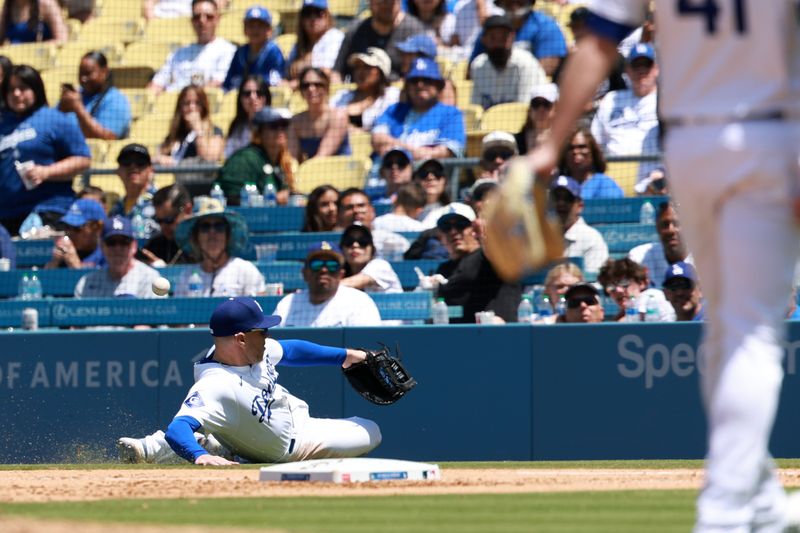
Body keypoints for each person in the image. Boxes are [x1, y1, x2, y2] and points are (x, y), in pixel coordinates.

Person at [520, 2, 800, 528]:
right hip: (768, 136)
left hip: (690, 144)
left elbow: (597, 43)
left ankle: (758, 494)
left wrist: (549, 146)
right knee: (748, 331)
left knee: (724, 331)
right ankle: (725, 509)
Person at [117, 297, 382, 465]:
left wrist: (346, 356)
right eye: (262, 330)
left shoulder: (254, 350)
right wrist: (200, 457)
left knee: (368, 428)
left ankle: (218, 444)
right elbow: (178, 429)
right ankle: (206, 446)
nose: (266, 335)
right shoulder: (216, 384)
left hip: (297, 421)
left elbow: (292, 350)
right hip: (292, 447)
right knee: (371, 432)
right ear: (241, 338)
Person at [0, 65, 91, 236]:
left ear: (36, 89)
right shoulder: (2, 125)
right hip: (6, 216)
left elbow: (83, 159)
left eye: (23, 88)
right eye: (11, 89)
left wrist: (46, 172)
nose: (16, 94)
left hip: (48, 210)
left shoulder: (54, 119)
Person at [434, 207, 521, 323]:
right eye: (446, 227)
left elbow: (495, 253)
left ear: (474, 229)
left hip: (497, 331)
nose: (453, 232)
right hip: (457, 335)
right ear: (441, 237)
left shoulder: (487, 257)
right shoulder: (443, 269)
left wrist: (485, 237)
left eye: (461, 225)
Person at [590, 43, 660, 185]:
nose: (641, 71)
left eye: (646, 65)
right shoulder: (612, 99)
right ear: (627, 70)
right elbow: (595, 140)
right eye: (636, 66)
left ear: (656, 69)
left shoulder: (664, 101)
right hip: (613, 180)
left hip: (652, 177)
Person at [372, 57, 465, 160]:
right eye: (414, 81)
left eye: (426, 80)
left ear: (438, 85)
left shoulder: (451, 114)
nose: (420, 85)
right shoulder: (394, 110)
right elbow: (377, 138)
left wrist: (396, 148)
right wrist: (414, 151)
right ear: (407, 86)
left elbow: (446, 152)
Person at [272, 241, 383, 326]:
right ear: (305, 273)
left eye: (331, 265)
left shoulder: (359, 302)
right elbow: (271, 345)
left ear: (341, 274)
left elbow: (370, 350)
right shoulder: (287, 304)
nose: (324, 270)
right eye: (317, 264)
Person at [173, 198, 266, 296]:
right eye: (205, 227)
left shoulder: (246, 271)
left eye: (219, 226)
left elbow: (258, 309)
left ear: (228, 235)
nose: (212, 232)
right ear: (196, 237)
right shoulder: (186, 277)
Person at [148, 0, 236, 94]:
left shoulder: (227, 50)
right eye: (197, 17)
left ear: (217, 19)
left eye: (209, 17)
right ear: (191, 21)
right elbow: (156, 84)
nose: (202, 21)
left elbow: (217, 83)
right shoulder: (178, 53)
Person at [217, 107, 296, 206]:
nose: (280, 130)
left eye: (284, 125)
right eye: (273, 126)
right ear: (259, 132)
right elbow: (231, 198)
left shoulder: (280, 160)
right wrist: (273, 199)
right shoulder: (244, 159)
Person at [333, 0, 427, 81]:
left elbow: (425, 74)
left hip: (401, 96)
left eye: (390, 1)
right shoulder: (355, 30)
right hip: (361, 94)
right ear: (370, 2)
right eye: (381, 1)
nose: (386, 4)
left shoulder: (414, 30)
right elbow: (337, 72)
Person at [468, 0, 566, 78]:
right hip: (494, 91)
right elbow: (471, 70)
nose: (514, 2)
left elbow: (548, 68)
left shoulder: (546, 26)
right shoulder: (491, 30)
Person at [74, 216, 164, 298]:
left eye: (124, 242)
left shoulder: (150, 279)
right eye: (111, 242)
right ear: (101, 247)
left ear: (134, 246)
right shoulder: (87, 283)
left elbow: (161, 315)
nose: (117, 248)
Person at [469, 15, 546, 110]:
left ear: (512, 37)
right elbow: (476, 108)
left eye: (503, 38)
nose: (498, 44)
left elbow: (523, 110)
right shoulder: (478, 65)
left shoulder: (526, 64)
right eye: (493, 38)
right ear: (483, 40)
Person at [57, 51, 132, 141]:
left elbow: (108, 137)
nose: (83, 78)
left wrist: (78, 108)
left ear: (104, 72)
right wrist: (61, 109)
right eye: (81, 73)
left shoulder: (117, 100)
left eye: (88, 73)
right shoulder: (75, 95)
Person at [330, 48, 400, 133]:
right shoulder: (342, 96)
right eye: (357, 67)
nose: (360, 72)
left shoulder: (392, 96)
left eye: (367, 67)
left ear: (381, 71)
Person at [289, 67, 351, 162]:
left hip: (340, 173)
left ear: (326, 88)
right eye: (306, 85)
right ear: (301, 91)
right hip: (310, 173)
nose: (311, 89)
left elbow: (321, 158)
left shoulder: (338, 116)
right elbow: (292, 158)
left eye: (318, 84)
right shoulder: (295, 121)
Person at [155, 85, 226, 167]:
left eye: (197, 103)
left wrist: (198, 129)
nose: (192, 107)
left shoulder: (214, 131)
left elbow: (210, 158)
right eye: (187, 103)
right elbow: (158, 155)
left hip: (202, 178)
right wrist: (160, 158)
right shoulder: (177, 133)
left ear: (203, 106)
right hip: (181, 179)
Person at [550, 175, 608, 275]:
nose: (561, 203)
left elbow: (594, 280)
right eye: (556, 198)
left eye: (568, 199)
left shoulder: (591, 238)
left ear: (580, 206)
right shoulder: (539, 235)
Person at [628, 201, 693, 288]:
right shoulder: (639, 256)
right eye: (665, 224)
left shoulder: (705, 259)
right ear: (657, 228)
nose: (671, 230)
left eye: (677, 224)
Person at [222, 5, 285, 91]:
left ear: (269, 30)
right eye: (251, 25)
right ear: (244, 29)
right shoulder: (240, 53)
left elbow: (276, 80)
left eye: (260, 25)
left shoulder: (274, 52)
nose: (255, 30)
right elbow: (228, 82)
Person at [337, 187, 410, 259]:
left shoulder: (392, 242)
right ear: (339, 214)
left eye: (361, 206)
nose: (356, 211)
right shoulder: (333, 244)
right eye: (349, 207)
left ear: (372, 210)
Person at [597, 257, 674, 323]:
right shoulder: (623, 313)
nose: (618, 290)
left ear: (641, 283)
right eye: (611, 286)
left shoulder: (652, 296)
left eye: (624, 283)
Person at [285, 0, 344, 85]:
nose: (313, 18)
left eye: (318, 13)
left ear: (327, 16)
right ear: (302, 19)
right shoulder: (298, 45)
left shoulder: (335, 37)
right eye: (307, 14)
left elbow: (327, 72)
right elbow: (288, 72)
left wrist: (300, 77)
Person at [109, 144, 160, 240]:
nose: (133, 166)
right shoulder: (115, 210)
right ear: (118, 171)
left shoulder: (160, 202)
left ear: (151, 170)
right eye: (126, 162)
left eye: (140, 162)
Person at [557, 127, 623, 200]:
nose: (575, 151)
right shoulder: (558, 183)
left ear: (592, 153)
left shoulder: (605, 184)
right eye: (570, 148)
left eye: (582, 147)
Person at [139, 183, 195, 266]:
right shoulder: (156, 245)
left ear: (188, 210)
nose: (163, 226)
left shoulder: (204, 240)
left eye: (169, 220)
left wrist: (163, 269)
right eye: (159, 220)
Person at [45, 198, 106, 269]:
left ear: (96, 227)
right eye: (67, 226)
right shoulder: (61, 255)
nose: (70, 232)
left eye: (76, 228)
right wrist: (52, 265)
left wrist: (75, 266)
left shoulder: (109, 253)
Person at [339, 224, 402, 293]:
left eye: (362, 241)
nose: (355, 245)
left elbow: (354, 282)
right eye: (349, 241)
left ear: (372, 249)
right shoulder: (340, 270)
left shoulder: (380, 265)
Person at [224, 75, 271, 158]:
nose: (253, 97)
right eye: (247, 94)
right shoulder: (237, 127)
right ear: (241, 99)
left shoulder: (277, 125)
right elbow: (229, 156)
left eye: (259, 93)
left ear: (266, 97)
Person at [515, 83, 557, 155]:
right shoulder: (518, 139)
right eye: (536, 104)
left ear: (556, 108)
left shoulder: (564, 140)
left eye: (546, 104)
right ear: (530, 109)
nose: (541, 109)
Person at [0, 0, 67, 44]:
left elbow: (62, 39)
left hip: (41, 59)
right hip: (13, 60)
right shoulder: (5, 7)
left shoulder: (47, 4)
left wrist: (37, 47)